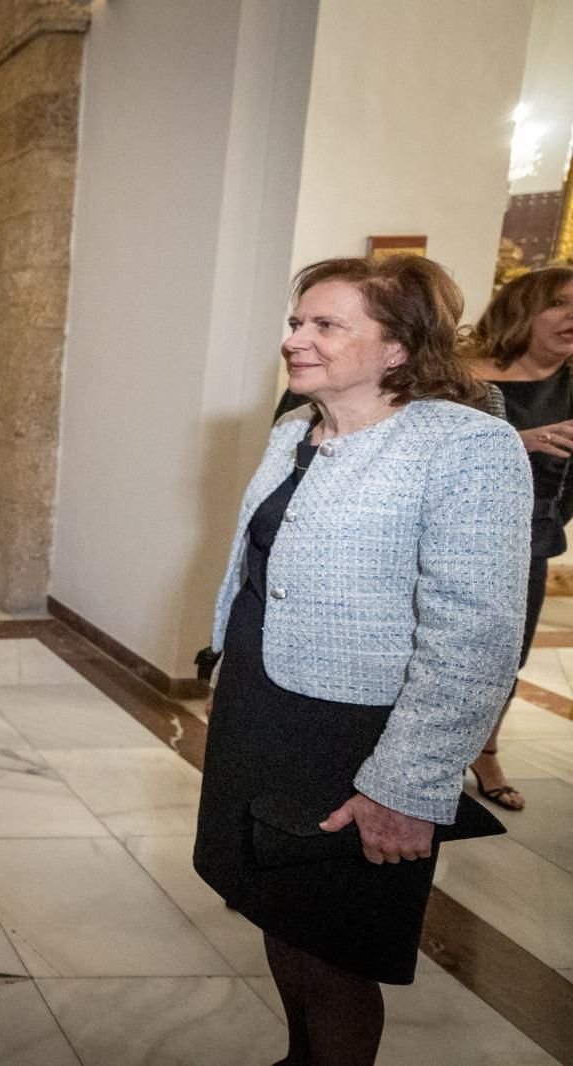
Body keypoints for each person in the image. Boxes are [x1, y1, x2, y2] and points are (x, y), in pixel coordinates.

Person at [193, 255, 531, 1066]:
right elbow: (258, 574)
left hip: (355, 738)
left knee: (336, 949)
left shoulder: (466, 446)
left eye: (325, 325)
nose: (295, 339)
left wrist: (407, 784)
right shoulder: (291, 435)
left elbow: (476, 637)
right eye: (296, 321)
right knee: (276, 910)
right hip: (263, 714)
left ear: (398, 348)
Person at [460, 265, 573, 811]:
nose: (572, 316)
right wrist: (514, 441)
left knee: (504, 657)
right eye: (559, 303)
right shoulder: (461, 377)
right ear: (521, 311)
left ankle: (485, 750)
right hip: (456, 535)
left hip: (531, 538)